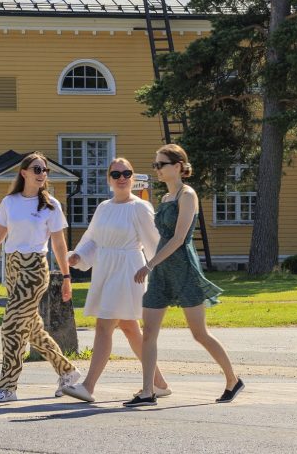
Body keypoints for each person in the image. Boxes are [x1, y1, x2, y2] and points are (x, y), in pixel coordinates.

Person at [126, 144, 244, 407]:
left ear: (178, 166)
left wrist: (149, 264)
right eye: (155, 165)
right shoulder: (166, 198)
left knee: (199, 333)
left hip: (183, 270)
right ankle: (148, 391)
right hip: (162, 272)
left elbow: (180, 238)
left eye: (161, 164)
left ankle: (232, 380)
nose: (157, 169)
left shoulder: (187, 195)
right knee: (149, 334)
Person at [0, 152, 82, 403]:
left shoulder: (51, 206)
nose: (42, 174)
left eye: (45, 170)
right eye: (37, 169)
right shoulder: (10, 202)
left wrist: (67, 277)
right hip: (13, 268)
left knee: (11, 327)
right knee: (32, 329)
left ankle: (8, 386)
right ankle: (67, 372)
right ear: (24, 173)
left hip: (35, 269)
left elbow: (59, 246)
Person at [61, 157, 172, 403]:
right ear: (109, 179)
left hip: (128, 271)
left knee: (104, 326)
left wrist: (161, 273)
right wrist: (77, 256)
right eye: (116, 174)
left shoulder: (140, 207)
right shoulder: (104, 207)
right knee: (131, 328)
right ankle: (160, 383)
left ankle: (88, 386)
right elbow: (93, 238)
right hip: (105, 269)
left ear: (132, 178)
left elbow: (154, 242)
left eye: (126, 173)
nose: (121, 178)